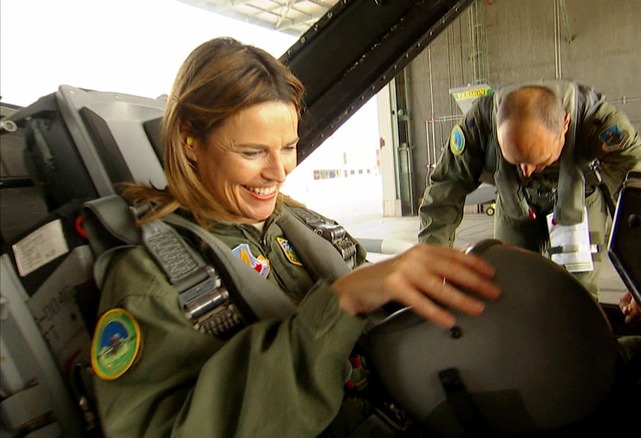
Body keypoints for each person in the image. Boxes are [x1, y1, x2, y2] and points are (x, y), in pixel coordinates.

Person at [89, 37, 501, 438]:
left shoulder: (302, 224)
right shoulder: (150, 281)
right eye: (252, 152)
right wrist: (339, 306)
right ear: (190, 141)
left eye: (288, 147)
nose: (279, 171)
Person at [418, 80, 641, 303]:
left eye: (538, 159)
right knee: (507, 291)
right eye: (516, 159)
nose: (527, 170)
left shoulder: (600, 124)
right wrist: (432, 261)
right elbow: (445, 190)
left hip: (578, 201)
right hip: (515, 201)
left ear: (565, 125)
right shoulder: (478, 126)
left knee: (577, 300)